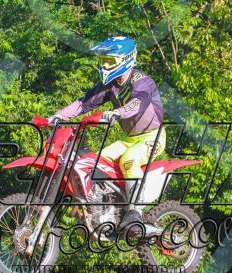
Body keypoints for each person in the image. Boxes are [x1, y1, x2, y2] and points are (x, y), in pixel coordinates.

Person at [48, 36, 166, 229]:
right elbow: (83, 104)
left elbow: (137, 103)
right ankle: (107, 206)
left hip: (153, 136)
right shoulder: (110, 86)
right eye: (103, 60)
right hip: (128, 139)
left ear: (126, 59)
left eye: (109, 61)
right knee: (93, 162)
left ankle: (135, 213)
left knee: (129, 160)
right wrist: (58, 116)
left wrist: (116, 113)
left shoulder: (143, 81)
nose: (104, 65)